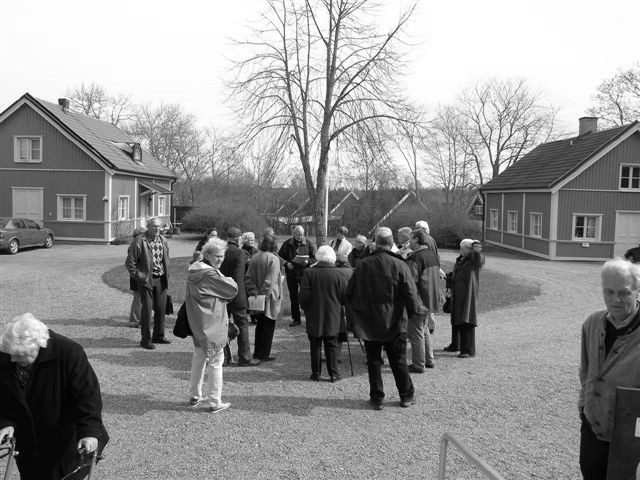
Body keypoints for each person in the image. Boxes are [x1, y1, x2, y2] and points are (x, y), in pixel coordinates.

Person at [0, 313, 109, 480]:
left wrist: (89, 431)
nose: (13, 359)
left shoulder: (69, 353)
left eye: (19, 355)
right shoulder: (8, 353)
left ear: (37, 346)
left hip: (64, 440)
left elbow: (88, 396)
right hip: (29, 441)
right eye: (11, 354)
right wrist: (6, 422)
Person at [346, 227, 426, 410]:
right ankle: (406, 395)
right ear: (391, 243)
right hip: (395, 320)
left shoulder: (363, 264)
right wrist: (415, 314)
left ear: (376, 242)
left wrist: (356, 314)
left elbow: (349, 293)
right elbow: (411, 294)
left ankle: (377, 398)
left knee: (374, 361)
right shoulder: (399, 265)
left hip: (370, 321)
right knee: (398, 360)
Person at [578, 259, 640, 479]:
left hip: (629, 435)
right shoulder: (592, 324)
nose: (615, 300)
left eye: (624, 293)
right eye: (609, 292)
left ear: (637, 291)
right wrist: (585, 406)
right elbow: (585, 371)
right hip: (593, 428)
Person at [186, 237, 238, 413]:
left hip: (198, 321)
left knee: (199, 357)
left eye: (223, 256)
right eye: (217, 256)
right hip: (212, 321)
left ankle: (195, 395)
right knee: (216, 360)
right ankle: (215, 401)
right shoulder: (210, 274)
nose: (220, 259)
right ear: (207, 255)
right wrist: (224, 279)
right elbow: (232, 289)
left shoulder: (194, 271)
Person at [299, 246, 350, 382]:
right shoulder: (339, 274)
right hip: (333, 313)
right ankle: (333, 373)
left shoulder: (309, 273)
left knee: (315, 343)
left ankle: (316, 373)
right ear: (332, 258)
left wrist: (305, 308)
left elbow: (303, 296)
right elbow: (345, 297)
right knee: (331, 343)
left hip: (314, 313)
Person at [125, 216, 171, 349]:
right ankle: (145, 339)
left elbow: (166, 259)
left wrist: (166, 274)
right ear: (148, 227)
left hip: (161, 279)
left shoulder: (163, 240)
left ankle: (158, 336)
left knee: (161, 309)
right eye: (154, 226)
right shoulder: (140, 241)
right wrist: (140, 277)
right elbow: (130, 263)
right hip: (146, 281)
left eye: (159, 226)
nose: (157, 229)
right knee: (146, 311)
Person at [220, 227, 260, 367]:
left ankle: (224, 358)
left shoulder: (220, 251)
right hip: (237, 294)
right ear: (238, 239)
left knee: (222, 325)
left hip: (221, 294)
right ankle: (244, 358)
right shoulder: (240, 253)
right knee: (242, 325)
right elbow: (238, 276)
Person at [405, 229, 440, 372]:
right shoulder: (432, 255)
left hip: (419, 301)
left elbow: (410, 281)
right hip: (430, 299)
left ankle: (418, 364)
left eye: (411, 239)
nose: (409, 242)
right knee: (424, 331)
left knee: (416, 333)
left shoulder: (416, 258)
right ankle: (429, 360)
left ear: (416, 239)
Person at [246, 234, 283, 362]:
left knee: (260, 325)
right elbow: (270, 282)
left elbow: (248, 278)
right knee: (268, 324)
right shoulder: (274, 259)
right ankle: (264, 354)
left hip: (257, 297)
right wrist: (262, 296)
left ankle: (257, 352)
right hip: (269, 297)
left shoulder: (254, 257)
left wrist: (255, 293)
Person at [444, 239, 484, 358]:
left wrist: (475, 246)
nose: (461, 251)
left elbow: (479, 257)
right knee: (456, 318)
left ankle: (468, 349)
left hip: (467, 295)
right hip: (458, 294)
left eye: (464, 248)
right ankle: (456, 344)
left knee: (467, 320)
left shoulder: (474, 260)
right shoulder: (461, 259)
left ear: (469, 250)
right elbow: (456, 273)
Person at [278, 225, 316, 327]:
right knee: (293, 297)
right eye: (298, 235)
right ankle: (296, 319)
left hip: (305, 274)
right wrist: (286, 264)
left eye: (302, 234)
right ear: (294, 234)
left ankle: (310, 318)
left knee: (307, 296)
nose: (300, 237)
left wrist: (308, 261)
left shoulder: (308, 243)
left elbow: (315, 258)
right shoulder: (287, 244)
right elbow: (279, 257)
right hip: (292, 274)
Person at [127, 227, 146, 328]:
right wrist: (137, 275)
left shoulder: (140, 244)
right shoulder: (134, 246)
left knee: (143, 299)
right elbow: (132, 263)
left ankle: (142, 319)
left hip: (142, 276)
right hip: (137, 276)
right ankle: (134, 320)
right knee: (138, 299)